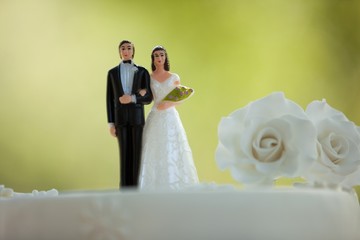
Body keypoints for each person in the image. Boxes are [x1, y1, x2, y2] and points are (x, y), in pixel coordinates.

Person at [138, 45, 199, 189]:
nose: (159, 58)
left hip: (170, 117)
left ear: (165, 58)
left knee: (171, 146)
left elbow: (180, 98)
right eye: (156, 56)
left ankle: (174, 182)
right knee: (153, 147)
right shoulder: (149, 77)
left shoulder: (174, 77)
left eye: (162, 55)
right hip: (155, 116)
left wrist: (168, 104)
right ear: (153, 59)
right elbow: (148, 95)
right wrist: (141, 92)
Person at [106, 40, 153, 188]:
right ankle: (125, 188)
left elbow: (148, 97)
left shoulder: (142, 72)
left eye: (129, 48)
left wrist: (133, 98)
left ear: (133, 51)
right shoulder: (112, 73)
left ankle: (137, 186)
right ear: (119, 52)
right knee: (124, 154)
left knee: (137, 153)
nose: (126, 51)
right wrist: (111, 123)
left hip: (137, 118)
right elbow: (109, 99)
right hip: (120, 119)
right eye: (123, 48)